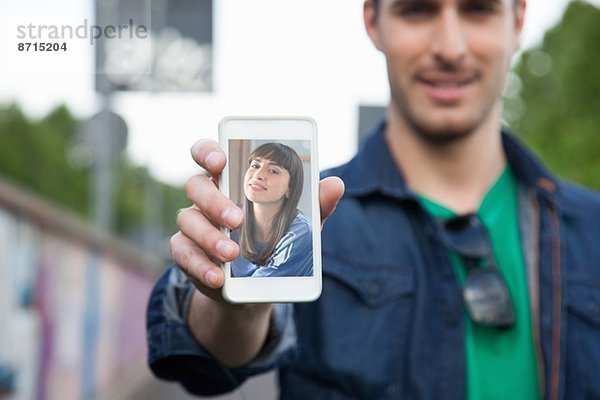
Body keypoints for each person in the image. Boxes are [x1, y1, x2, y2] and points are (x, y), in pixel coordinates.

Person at [146, 0, 600, 399]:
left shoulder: (593, 230)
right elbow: (209, 356)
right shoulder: (319, 213)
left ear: (518, 19)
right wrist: (230, 301)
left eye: (477, 8)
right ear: (373, 20)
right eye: (417, 9)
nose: (449, 46)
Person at [231, 142, 312, 277]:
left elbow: (257, 291)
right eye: (255, 165)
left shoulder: (302, 233)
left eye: (273, 171)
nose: (258, 175)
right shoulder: (229, 221)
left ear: (290, 188)